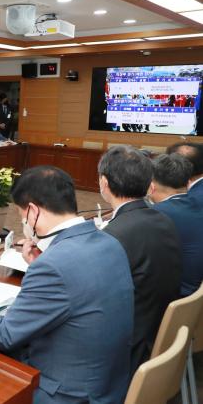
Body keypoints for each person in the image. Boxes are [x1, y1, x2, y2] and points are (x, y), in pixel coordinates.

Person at [0, 166, 134, 403]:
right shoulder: (109, 242)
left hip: (67, 394)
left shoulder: (54, 266)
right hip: (110, 383)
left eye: (21, 214)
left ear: (32, 211)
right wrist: (39, 265)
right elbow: (77, 285)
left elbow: (5, 335)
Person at [98, 145, 181, 373]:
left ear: (104, 183)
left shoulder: (113, 236)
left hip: (125, 348)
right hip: (156, 333)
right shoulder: (164, 220)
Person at [150, 152, 203, 297]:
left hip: (174, 295)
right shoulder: (197, 205)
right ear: (188, 183)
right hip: (195, 294)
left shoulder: (156, 214)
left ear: (151, 185)